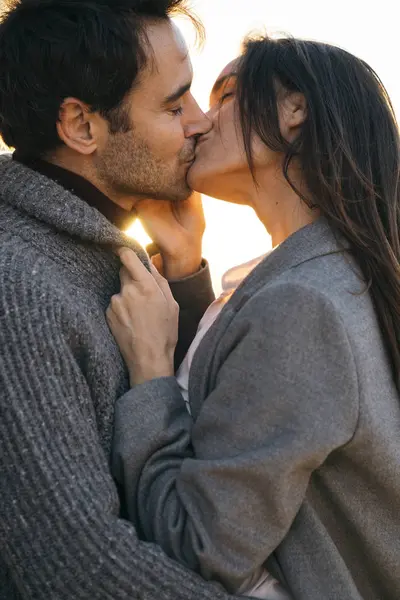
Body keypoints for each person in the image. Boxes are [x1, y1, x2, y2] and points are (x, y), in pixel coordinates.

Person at [108, 36, 400, 600]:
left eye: (226, 96)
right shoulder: (330, 277)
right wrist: (187, 269)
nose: (198, 123)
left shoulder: (305, 304)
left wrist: (148, 377)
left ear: (295, 111)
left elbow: (199, 544)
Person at [0, 1, 240, 599]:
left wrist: (184, 273)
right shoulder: (17, 283)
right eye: (173, 103)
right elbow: (75, 567)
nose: (200, 121)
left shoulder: (103, 257)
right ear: (82, 126)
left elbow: (191, 454)